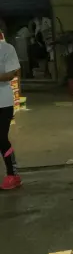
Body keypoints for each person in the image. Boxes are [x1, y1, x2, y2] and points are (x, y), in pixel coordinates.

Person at [0, 33, 21, 190]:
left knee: (1, 138)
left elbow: (12, 73)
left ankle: (12, 174)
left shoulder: (6, 48)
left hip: (2, 102)